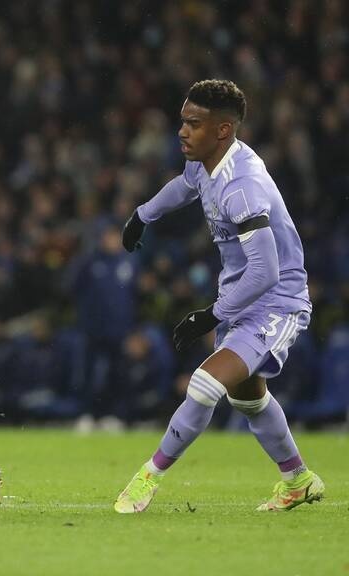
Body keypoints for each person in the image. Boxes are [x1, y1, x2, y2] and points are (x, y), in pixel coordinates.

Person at [115, 79, 324, 513]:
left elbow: (266, 271)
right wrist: (142, 215)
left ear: (223, 130)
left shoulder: (242, 187)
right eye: (183, 121)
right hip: (241, 295)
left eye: (194, 124)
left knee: (205, 384)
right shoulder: (206, 163)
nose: (182, 131)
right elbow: (184, 185)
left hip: (277, 300)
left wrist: (211, 315)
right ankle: (299, 479)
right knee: (247, 398)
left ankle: (147, 478)